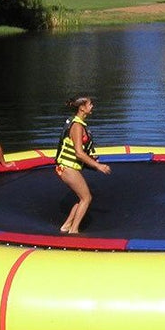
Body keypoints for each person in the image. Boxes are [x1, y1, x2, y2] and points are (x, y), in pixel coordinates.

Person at [55, 95, 111, 235]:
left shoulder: (80, 124)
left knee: (82, 198)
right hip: (67, 167)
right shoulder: (77, 126)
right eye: (90, 104)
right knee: (87, 198)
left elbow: (79, 151)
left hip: (69, 167)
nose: (92, 106)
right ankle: (74, 230)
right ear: (82, 108)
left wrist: (90, 158)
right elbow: (79, 153)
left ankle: (66, 226)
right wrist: (98, 166)